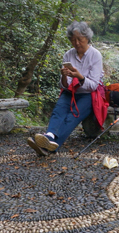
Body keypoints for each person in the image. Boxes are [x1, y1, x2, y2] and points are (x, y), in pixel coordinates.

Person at [27, 21, 104, 156]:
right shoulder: (68, 54)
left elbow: (93, 85)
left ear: (87, 38)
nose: (77, 43)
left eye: (80, 39)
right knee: (58, 111)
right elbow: (64, 85)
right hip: (70, 91)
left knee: (72, 116)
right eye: (73, 40)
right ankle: (49, 136)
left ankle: (49, 145)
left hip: (88, 94)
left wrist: (79, 76)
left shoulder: (95, 55)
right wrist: (64, 76)